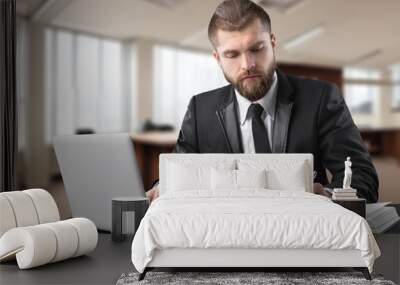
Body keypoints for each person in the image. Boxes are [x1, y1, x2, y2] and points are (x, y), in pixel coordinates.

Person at [147, 0, 378, 203]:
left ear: (273, 43)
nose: (248, 64)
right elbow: (176, 172)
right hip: (227, 236)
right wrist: (161, 189)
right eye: (232, 54)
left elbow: (362, 177)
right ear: (217, 58)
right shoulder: (200, 110)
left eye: (257, 49)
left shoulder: (321, 98)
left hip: (303, 234)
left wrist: (326, 198)